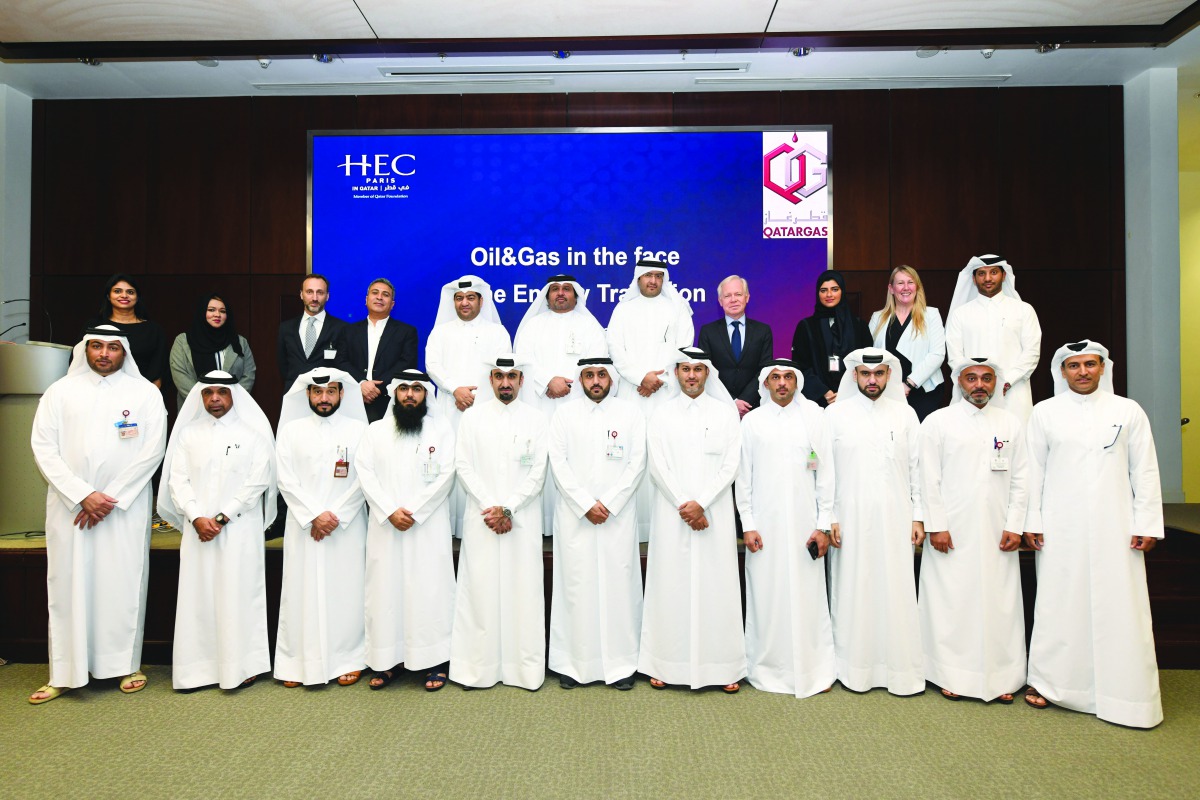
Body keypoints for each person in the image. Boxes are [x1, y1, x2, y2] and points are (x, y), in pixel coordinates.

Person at [1023, 340, 1164, 728]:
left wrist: (1147, 523)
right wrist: (1031, 521)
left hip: (1116, 527)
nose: (1082, 372)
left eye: (1090, 365)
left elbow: (1145, 470)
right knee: (1058, 603)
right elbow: (1033, 472)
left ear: (1103, 368)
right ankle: (1054, 685)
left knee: (1120, 605)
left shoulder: (1127, 411)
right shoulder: (1044, 413)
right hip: (1058, 527)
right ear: (1062, 371)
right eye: (1074, 366)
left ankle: (1126, 693)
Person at [28, 325, 167, 704]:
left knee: (123, 584)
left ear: (124, 352)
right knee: (67, 586)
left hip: (124, 508)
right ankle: (64, 672)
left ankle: (125, 665)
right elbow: (43, 448)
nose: (104, 354)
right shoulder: (59, 392)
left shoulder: (144, 394)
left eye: (112, 347)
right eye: (96, 347)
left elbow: (153, 450)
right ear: (84, 350)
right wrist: (83, 494)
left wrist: (111, 498)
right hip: (71, 507)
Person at [918, 358, 1028, 704]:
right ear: (959, 383)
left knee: (1000, 603)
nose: (979, 385)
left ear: (995, 383)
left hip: (999, 532)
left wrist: (1015, 525)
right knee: (952, 602)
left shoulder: (1010, 422)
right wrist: (937, 525)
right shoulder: (938, 422)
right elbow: (928, 480)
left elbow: (1023, 479)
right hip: (951, 531)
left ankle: (1003, 678)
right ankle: (949, 674)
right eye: (971, 378)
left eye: (986, 378)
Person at [158, 371, 275, 691]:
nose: (214, 399)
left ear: (234, 395)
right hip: (198, 531)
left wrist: (221, 518)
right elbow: (176, 480)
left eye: (221, 393)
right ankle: (197, 670)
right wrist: (196, 517)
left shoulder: (254, 434)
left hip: (239, 529)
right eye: (208, 393)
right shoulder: (187, 434)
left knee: (239, 595)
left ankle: (244, 666)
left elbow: (258, 482)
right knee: (199, 597)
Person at [639, 347, 746, 693]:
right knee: (670, 585)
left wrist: (702, 503)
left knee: (718, 587)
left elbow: (731, 464)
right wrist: (685, 504)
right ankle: (664, 663)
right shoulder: (662, 413)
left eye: (698, 369)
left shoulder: (725, 413)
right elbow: (658, 465)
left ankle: (723, 667)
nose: (691, 375)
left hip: (713, 513)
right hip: (674, 514)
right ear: (676, 373)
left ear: (707, 374)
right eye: (685, 369)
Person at [825, 347, 925, 695]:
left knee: (894, 588)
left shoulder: (906, 415)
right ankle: (853, 669)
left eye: (879, 374)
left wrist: (918, 516)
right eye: (866, 374)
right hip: (848, 518)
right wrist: (830, 517)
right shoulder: (834, 415)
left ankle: (897, 670)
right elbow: (826, 472)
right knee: (853, 588)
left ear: (889, 375)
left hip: (896, 517)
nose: (872, 380)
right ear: (854, 375)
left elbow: (917, 470)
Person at [735, 359, 836, 698]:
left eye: (788, 377)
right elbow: (743, 480)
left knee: (808, 597)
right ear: (765, 384)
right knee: (767, 596)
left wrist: (823, 526)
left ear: (798, 382)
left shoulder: (814, 418)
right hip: (764, 527)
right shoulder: (752, 423)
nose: (781, 384)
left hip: (806, 525)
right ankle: (766, 669)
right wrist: (747, 524)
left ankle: (813, 670)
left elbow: (826, 475)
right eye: (775, 378)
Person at [449, 354, 549, 691]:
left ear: (521, 381)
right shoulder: (472, 418)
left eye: (511, 377)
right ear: (490, 380)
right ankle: (478, 669)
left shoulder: (537, 420)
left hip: (521, 518)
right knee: (480, 591)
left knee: (524, 591)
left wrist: (509, 508)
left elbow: (538, 470)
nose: (505, 383)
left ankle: (524, 670)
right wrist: (492, 506)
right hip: (482, 518)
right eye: (498, 376)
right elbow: (463, 465)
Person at [547, 357, 646, 690]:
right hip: (576, 516)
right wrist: (586, 503)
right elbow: (557, 463)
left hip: (617, 515)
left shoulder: (630, 414)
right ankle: (572, 664)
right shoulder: (564, 415)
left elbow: (637, 462)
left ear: (612, 379)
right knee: (575, 586)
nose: (595, 381)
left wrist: (610, 502)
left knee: (619, 586)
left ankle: (622, 665)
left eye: (601, 374)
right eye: (588, 375)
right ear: (581, 380)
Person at [356, 370, 456, 692]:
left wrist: (415, 511)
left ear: (426, 394)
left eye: (416, 389)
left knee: (429, 590)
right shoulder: (375, 432)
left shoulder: (442, 430)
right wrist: (389, 510)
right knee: (386, 592)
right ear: (395, 394)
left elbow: (447, 474)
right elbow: (365, 474)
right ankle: (388, 661)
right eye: (403, 389)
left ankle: (434, 660)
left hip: (426, 527)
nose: (410, 395)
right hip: (386, 528)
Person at [273, 367, 370, 687]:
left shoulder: (359, 430)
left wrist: (335, 516)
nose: (324, 398)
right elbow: (285, 479)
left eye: (331, 392)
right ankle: (296, 664)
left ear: (342, 394)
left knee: (346, 591)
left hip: (347, 526)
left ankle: (349, 659)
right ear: (308, 395)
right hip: (304, 526)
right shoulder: (291, 431)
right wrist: (314, 515)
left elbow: (365, 478)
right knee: (301, 591)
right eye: (317, 392)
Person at [605, 259, 695, 540]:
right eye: (647, 276)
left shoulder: (676, 308)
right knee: (632, 455)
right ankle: (634, 525)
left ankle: (663, 525)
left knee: (665, 455)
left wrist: (658, 380)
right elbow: (615, 349)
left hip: (667, 395)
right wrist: (639, 378)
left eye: (658, 276)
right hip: (632, 395)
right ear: (638, 279)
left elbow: (684, 348)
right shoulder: (623, 309)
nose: (653, 281)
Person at [513, 275, 607, 537]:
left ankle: (573, 521)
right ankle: (541, 525)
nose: (561, 293)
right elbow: (523, 362)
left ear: (576, 295)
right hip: (539, 403)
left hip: (579, 404)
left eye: (567, 289)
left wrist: (568, 386)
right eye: (555, 289)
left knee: (575, 459)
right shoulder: (532, 326)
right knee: (539, 459)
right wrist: (547, 382)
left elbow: (598, 366)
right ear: (547, 296)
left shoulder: (590, 326)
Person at [425, 275, 512, 537]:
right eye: (460, 298)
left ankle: (478, 523)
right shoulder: (441, 331)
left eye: (470, 298)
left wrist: (475, 396)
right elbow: (432, 365)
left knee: (481, 462)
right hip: (449, 407)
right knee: (449, 461)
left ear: (481, 301)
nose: (465, 303)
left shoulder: (497, 332)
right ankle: (448, 525)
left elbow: (503, 370)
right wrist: (455, 390)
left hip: (486, 407)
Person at [944, 255, 1041, 422]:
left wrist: (1006, 381)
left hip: (1013, 392)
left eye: (994, 272)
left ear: (1003, 276)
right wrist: (975, 382)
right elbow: (955, 357)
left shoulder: (1024, 310)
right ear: (973, 279)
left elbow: (1031, 353)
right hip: (972, 394)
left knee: (1013, 442)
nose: (987, 278)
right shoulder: (960, 314)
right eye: (981, 273)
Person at [868, 266, 945, 421]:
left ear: (917, 287)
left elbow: (937, 354)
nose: (905, 287)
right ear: (891, 288)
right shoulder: (878, 318)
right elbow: (870, 355)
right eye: (900, 283)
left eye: (910, 282)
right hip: (888, 392)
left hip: (924, 391)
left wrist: (909, 384)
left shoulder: (931, 315)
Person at [336, 278, 419, 423]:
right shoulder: (348, 331)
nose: (379, 297)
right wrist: (361, 383)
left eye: (385, 295)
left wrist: (376, 388)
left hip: (388, 400)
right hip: (353, 398)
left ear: (392, 304)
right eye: (375, 293)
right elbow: (341, 361)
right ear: (366, 299)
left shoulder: (406, 332)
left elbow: (407, 363)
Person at [791, 270, 872, 409]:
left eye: (834, 289)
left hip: (854, 400)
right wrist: (825, 392)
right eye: (823, 290)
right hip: (817, 402)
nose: (829, 295)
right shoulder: (806, 327)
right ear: (818, 293)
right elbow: (800, 366)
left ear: (842, 291)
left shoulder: (859, 326)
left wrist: (845, 392)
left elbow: (866, 364)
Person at [697, 275, 774, 418]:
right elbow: (706, 370)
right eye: (727, 296)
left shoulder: (763, 331)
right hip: (718, 406)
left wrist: (745, 400)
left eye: (738, 294)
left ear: (747, 297)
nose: (733, 299)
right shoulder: (708, 332)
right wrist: (732, 401)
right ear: (720, 301)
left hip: (754, 407)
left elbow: (764, 370)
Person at [169, 293, 256, 411]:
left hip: (233, 409)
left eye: (222, 311)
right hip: (194, 409)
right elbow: (180, 376)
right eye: (211, 310)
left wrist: (229, 401)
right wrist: (207, 401)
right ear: (202, 312)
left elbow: (249, 374)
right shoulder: (183, 341)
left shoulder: (239, 342)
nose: (217, 314)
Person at [84, 273, 169, 389]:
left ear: (137, 297)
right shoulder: (94, 326)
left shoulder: (153, 330)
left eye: (130, 292)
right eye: (117, 291)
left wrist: (147, 398)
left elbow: (158, 372)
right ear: (108, 296)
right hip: (96, 390)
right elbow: (79, 361)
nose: (124, 295)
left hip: (141, 393)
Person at [276, 274, 348, 392]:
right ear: (301, 295)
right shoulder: (286, 328)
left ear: (327, 296)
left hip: (327, 397)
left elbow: (343, 364)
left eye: (320, 292)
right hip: (294, 393)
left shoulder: (341, 328)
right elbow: (283, 364)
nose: (314, 298)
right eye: (309, 292)